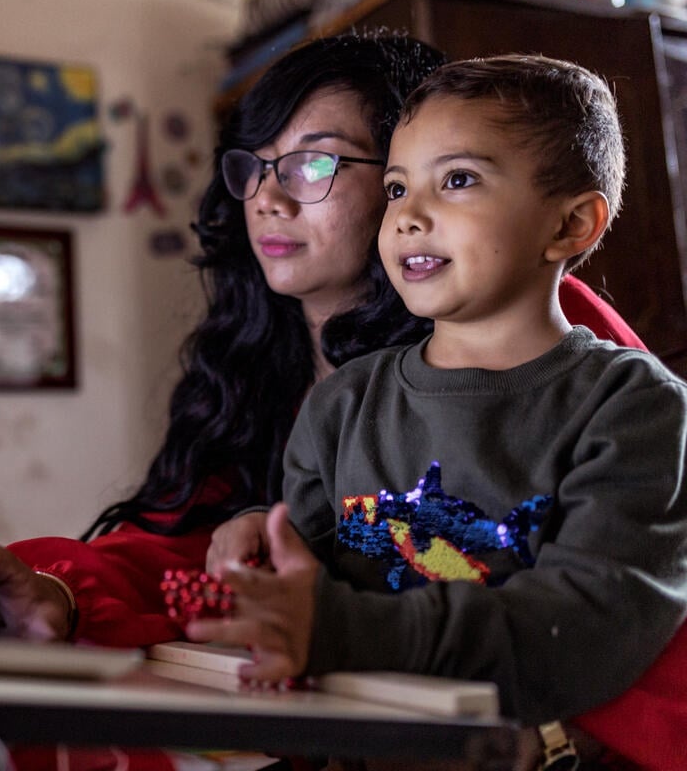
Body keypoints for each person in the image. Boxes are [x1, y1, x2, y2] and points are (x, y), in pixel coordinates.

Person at [0, 33, 643, 651]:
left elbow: (614, 613)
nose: (267, 197)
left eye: (314, 162)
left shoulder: (542, 338)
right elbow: (183, 555)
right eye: (256, 167)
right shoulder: (267, 366)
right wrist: (48, 586)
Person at [184, 54, 687, 767]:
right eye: (396, 186)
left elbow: (585, 628)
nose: (410, 216)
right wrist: (260, 545)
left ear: (572, 224)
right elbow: (307, 583)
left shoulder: (632, 407)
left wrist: (336, 629)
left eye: (457, 180)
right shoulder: (340, 406)